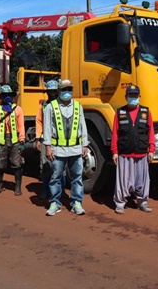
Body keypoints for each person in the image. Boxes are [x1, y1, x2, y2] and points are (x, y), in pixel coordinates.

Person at [43, 79, 89, 216]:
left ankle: (76, 202)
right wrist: (48, 146)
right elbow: (47, 128)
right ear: (59, 91)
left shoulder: (78, 106)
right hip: (58, 149)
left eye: (69, 90)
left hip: (75, 148)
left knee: (77, 177)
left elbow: (83, 125)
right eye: (64, 90)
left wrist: (85, 144)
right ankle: (54, 203)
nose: (67, 92)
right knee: (56, 177)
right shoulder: (51, 107)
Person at [111, 85, 155, 214]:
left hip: (141, 153)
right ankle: (120, 203)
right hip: (124, 153)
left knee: (142, 180)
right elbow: (115, 134)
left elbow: (151, 132)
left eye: (135, 95)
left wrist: (151, 149)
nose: (133, 98)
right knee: (123, 181)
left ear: (139, 97)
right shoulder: (119, 113)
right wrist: (114, 151)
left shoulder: (146, 112)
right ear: (126, 97)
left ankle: (143, 202)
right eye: (130, 95)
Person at [0, 85, 26, 196]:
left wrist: (22, 141)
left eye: (9, 95)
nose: (7, 97)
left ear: (12, 97)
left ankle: (17, 187)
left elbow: (21, 126)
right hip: (0, 141)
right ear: (1, 97)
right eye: (5, 95)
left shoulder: (18, 109)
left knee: (17, 163)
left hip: (14, 140)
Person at [34, 79, 68, 200]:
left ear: (58, 91)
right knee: (45, 165)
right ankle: (45, 190)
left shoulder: (63, 105)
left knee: (61, 166)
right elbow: (39, 122)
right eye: (50, 92)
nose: (52, 94)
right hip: (45, 140)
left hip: (61, 140)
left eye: (54, 91)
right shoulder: (43, 105)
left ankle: (62, 190)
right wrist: (38, 139)